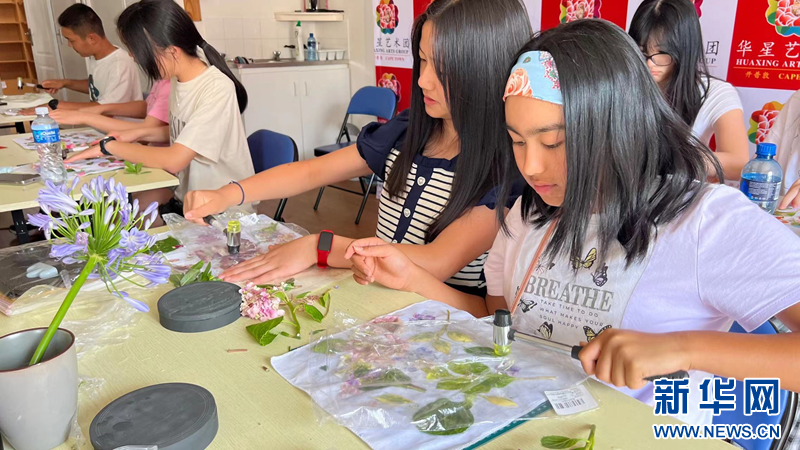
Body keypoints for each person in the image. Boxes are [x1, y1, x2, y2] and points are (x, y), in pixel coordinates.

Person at [344, 20, 800, 425]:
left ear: (618, 125)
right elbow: (498, 319)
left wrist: (683, 348)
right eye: (517, 141)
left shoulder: (705, 220)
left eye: (554, 143)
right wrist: (413, 280)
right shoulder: (527, 214)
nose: (531, 168)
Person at [182, 0, 532, 294]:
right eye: (423, 60)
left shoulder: (507, 166)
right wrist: (229, 193)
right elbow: (312, 171)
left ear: (486, 71)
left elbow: (436, 262)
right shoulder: (406, 131)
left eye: (443, 69)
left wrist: (319, 246)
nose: (423, 80)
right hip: (377, 300)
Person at [65, 0, 255, 218]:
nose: (133, 57)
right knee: (116, 213)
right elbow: (182, 132)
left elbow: (175, 159)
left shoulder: (215, 88)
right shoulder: (178, 78)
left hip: (223, 211)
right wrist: (136, 134)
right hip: (188, 198)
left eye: (136, 50)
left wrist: (110, 147)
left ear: (172, 51)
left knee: (121, 218)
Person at [629, 0, 749, 181]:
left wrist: (670, 160)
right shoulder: (623, 86)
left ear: (685, 50)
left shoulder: (715, 92)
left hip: (682, 194)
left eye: (662, 53)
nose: (650, 63)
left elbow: (739, 163)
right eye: (642, 52)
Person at [21, 4, 142, 113]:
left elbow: (107, 108)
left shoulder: (119, 64)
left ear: (92, 39)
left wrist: (56, 105)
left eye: (71, 40)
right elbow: (96, 87)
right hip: (99, 126)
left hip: (121, 129)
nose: (69, 45)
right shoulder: (98, 57)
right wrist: (65, 83)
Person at [49, 79, 170, 135]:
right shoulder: (162, 81)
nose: (131, 55)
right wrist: (103, 108)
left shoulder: (169, 85)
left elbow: (147, 130)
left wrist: (85, 117)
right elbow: (148, 107)